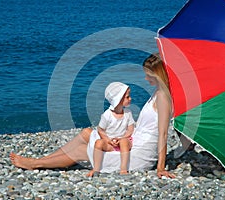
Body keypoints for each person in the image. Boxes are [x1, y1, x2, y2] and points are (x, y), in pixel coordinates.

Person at [10, 53, 175, 178]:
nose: (145, 78)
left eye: (149, 75)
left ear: (159, 75)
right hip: (133, 141)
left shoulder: (162, 97)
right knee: (87, 133)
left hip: (140, 154)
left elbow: (163, 134)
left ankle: (36, 164)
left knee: (82, 150)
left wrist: (160, 167)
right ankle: (45, 159)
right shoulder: (158, 91)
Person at [86, 82, 135, 177]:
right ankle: (96, 168)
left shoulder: (128, 113)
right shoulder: (107, 115)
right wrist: (108, 140)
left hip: (124, 141)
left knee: (124, 142)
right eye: (127, 97)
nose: (130, 99)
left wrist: (122, 138)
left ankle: (123, 169)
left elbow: (130, 129)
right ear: (119, 99)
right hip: (110, 143)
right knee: (98, 143)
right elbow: (101, 130)